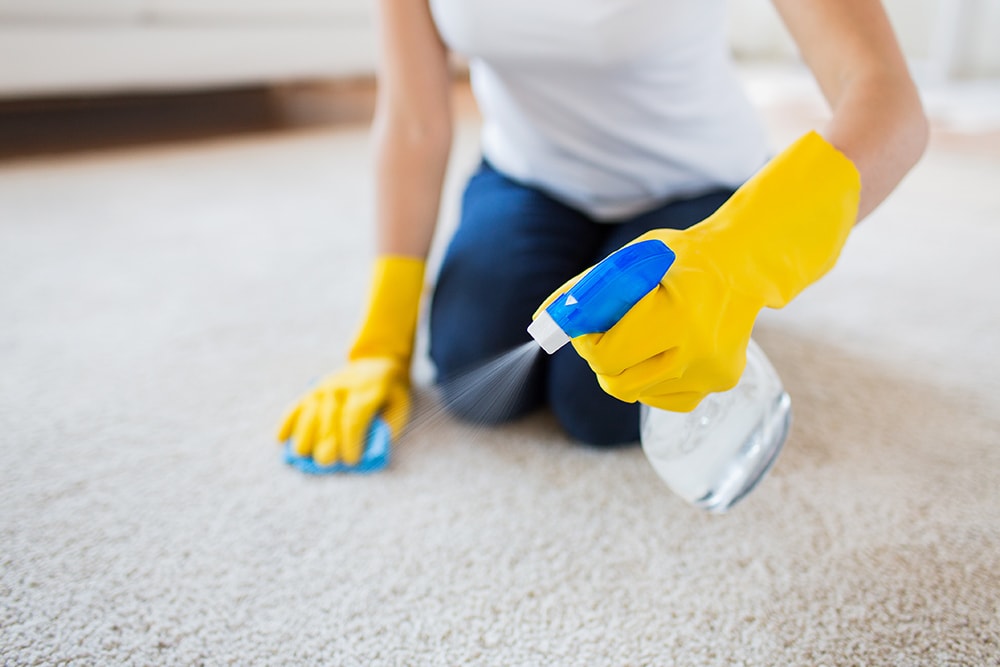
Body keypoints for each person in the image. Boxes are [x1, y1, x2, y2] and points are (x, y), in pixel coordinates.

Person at [277, 0, 928, 466]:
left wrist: (738, 258)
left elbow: (885, 99)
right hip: (531, 176)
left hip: (695, 189)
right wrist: (380, 342)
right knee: (471, 374)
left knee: (601, 402)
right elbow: (413, 120)